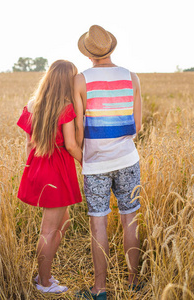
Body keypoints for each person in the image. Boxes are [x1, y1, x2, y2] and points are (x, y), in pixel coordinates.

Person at [74, 25, 143, 299]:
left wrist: (85, 155)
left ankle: (100, 289)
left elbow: (79, 128)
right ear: (111, 48)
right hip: (128, 158)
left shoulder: (81, 80)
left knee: (98, 224)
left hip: (96, 163)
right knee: (130, 219)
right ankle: (134, 281)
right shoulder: (132, 77)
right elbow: (137, 125)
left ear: (89, 53)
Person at [16, 60, 83, 294]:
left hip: (38, 166)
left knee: (63, 223)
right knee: (48, 230)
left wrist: (30, 169)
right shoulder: (65, 107)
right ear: (66, 81)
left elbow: (28, 142)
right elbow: (72, 145)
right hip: (57, 170)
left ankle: (44, 270)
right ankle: (43, 282)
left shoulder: (34, 104)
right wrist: (88, 162)